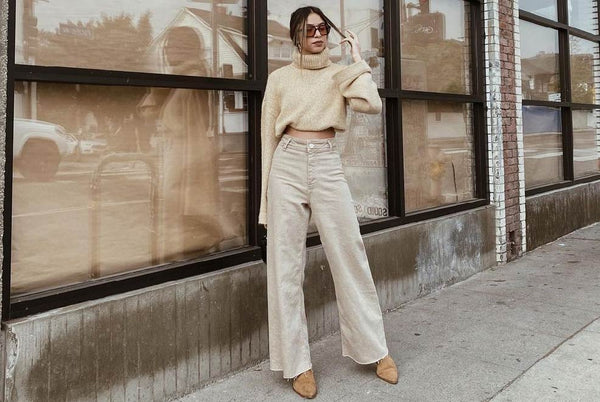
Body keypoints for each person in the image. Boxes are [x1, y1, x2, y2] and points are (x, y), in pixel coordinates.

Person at [259, 6, 398, 399]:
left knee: (349, 253)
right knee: (286, 267)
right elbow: (268, 140)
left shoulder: (340, 73)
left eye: (323, 28)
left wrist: (358, 60)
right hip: (286, 163)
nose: (318, 35)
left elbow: (372, 104)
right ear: (296, 37)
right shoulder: (279, 79)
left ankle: (375, 350)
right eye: (309, 30)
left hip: (325, 162)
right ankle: (297, 364)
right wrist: (265, 205)